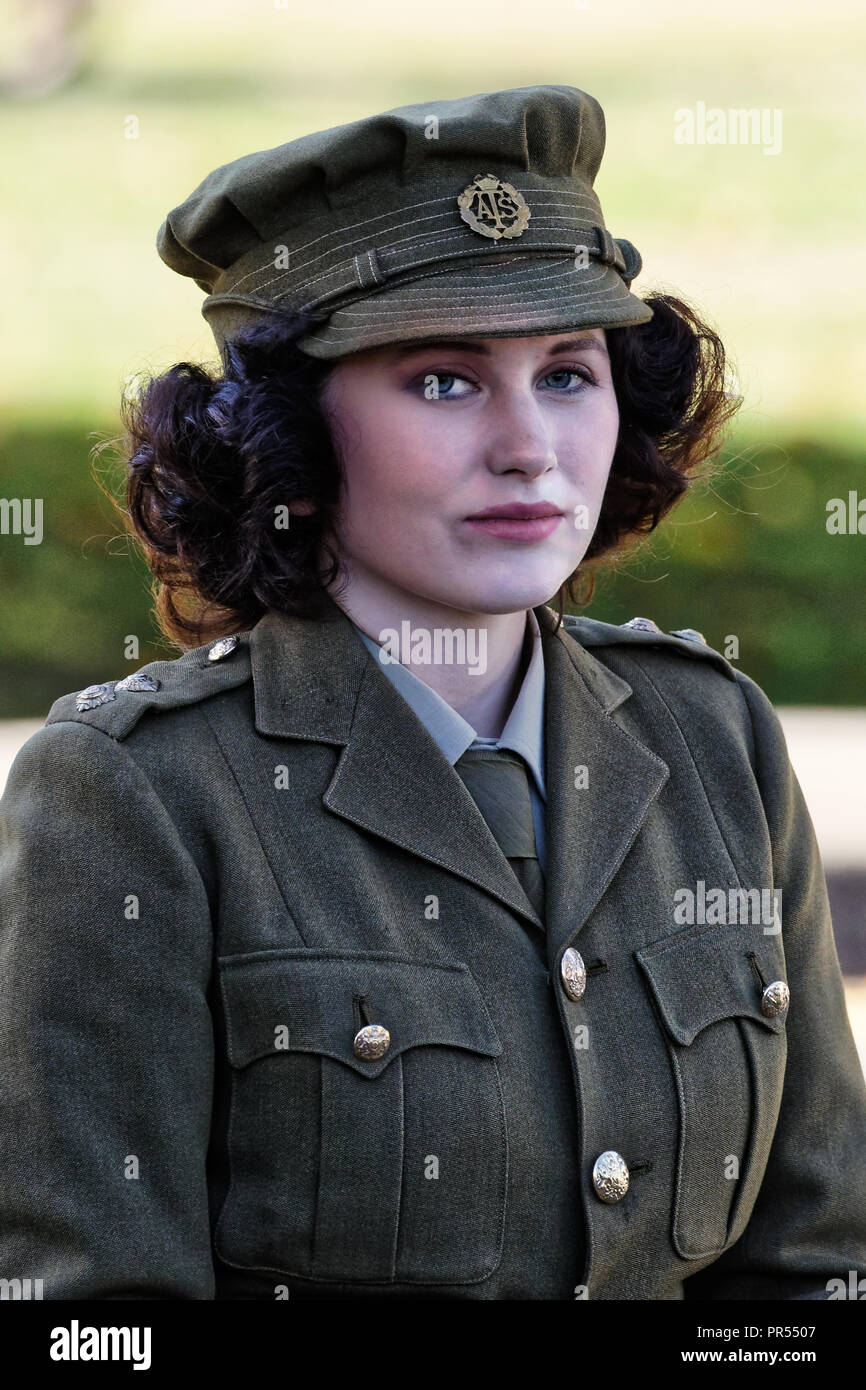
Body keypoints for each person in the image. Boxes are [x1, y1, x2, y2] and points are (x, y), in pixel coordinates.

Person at [1, 83, 864, 1301]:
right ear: (288, 436)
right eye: (444, 382)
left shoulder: (710, 735)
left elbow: (814, 1266)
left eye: (568, 373)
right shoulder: (138, 794)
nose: (528, 446)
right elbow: (91, 1322)